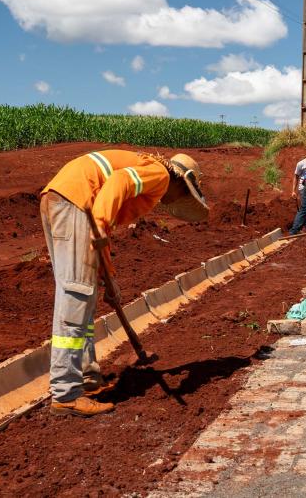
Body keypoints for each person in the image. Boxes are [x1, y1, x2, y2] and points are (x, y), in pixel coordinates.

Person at [41, 150, 209, 417]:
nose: (177, 201)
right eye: (185, 193)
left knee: (82, 294)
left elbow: (103, 223)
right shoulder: (160, 174)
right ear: (181, 181)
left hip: (62, 198)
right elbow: (117, 186)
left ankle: (86, 376)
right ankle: (66, 393)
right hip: (77, 205)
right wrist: (98, 227)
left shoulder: (147, 169)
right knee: (76, 298)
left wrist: (107, 274)